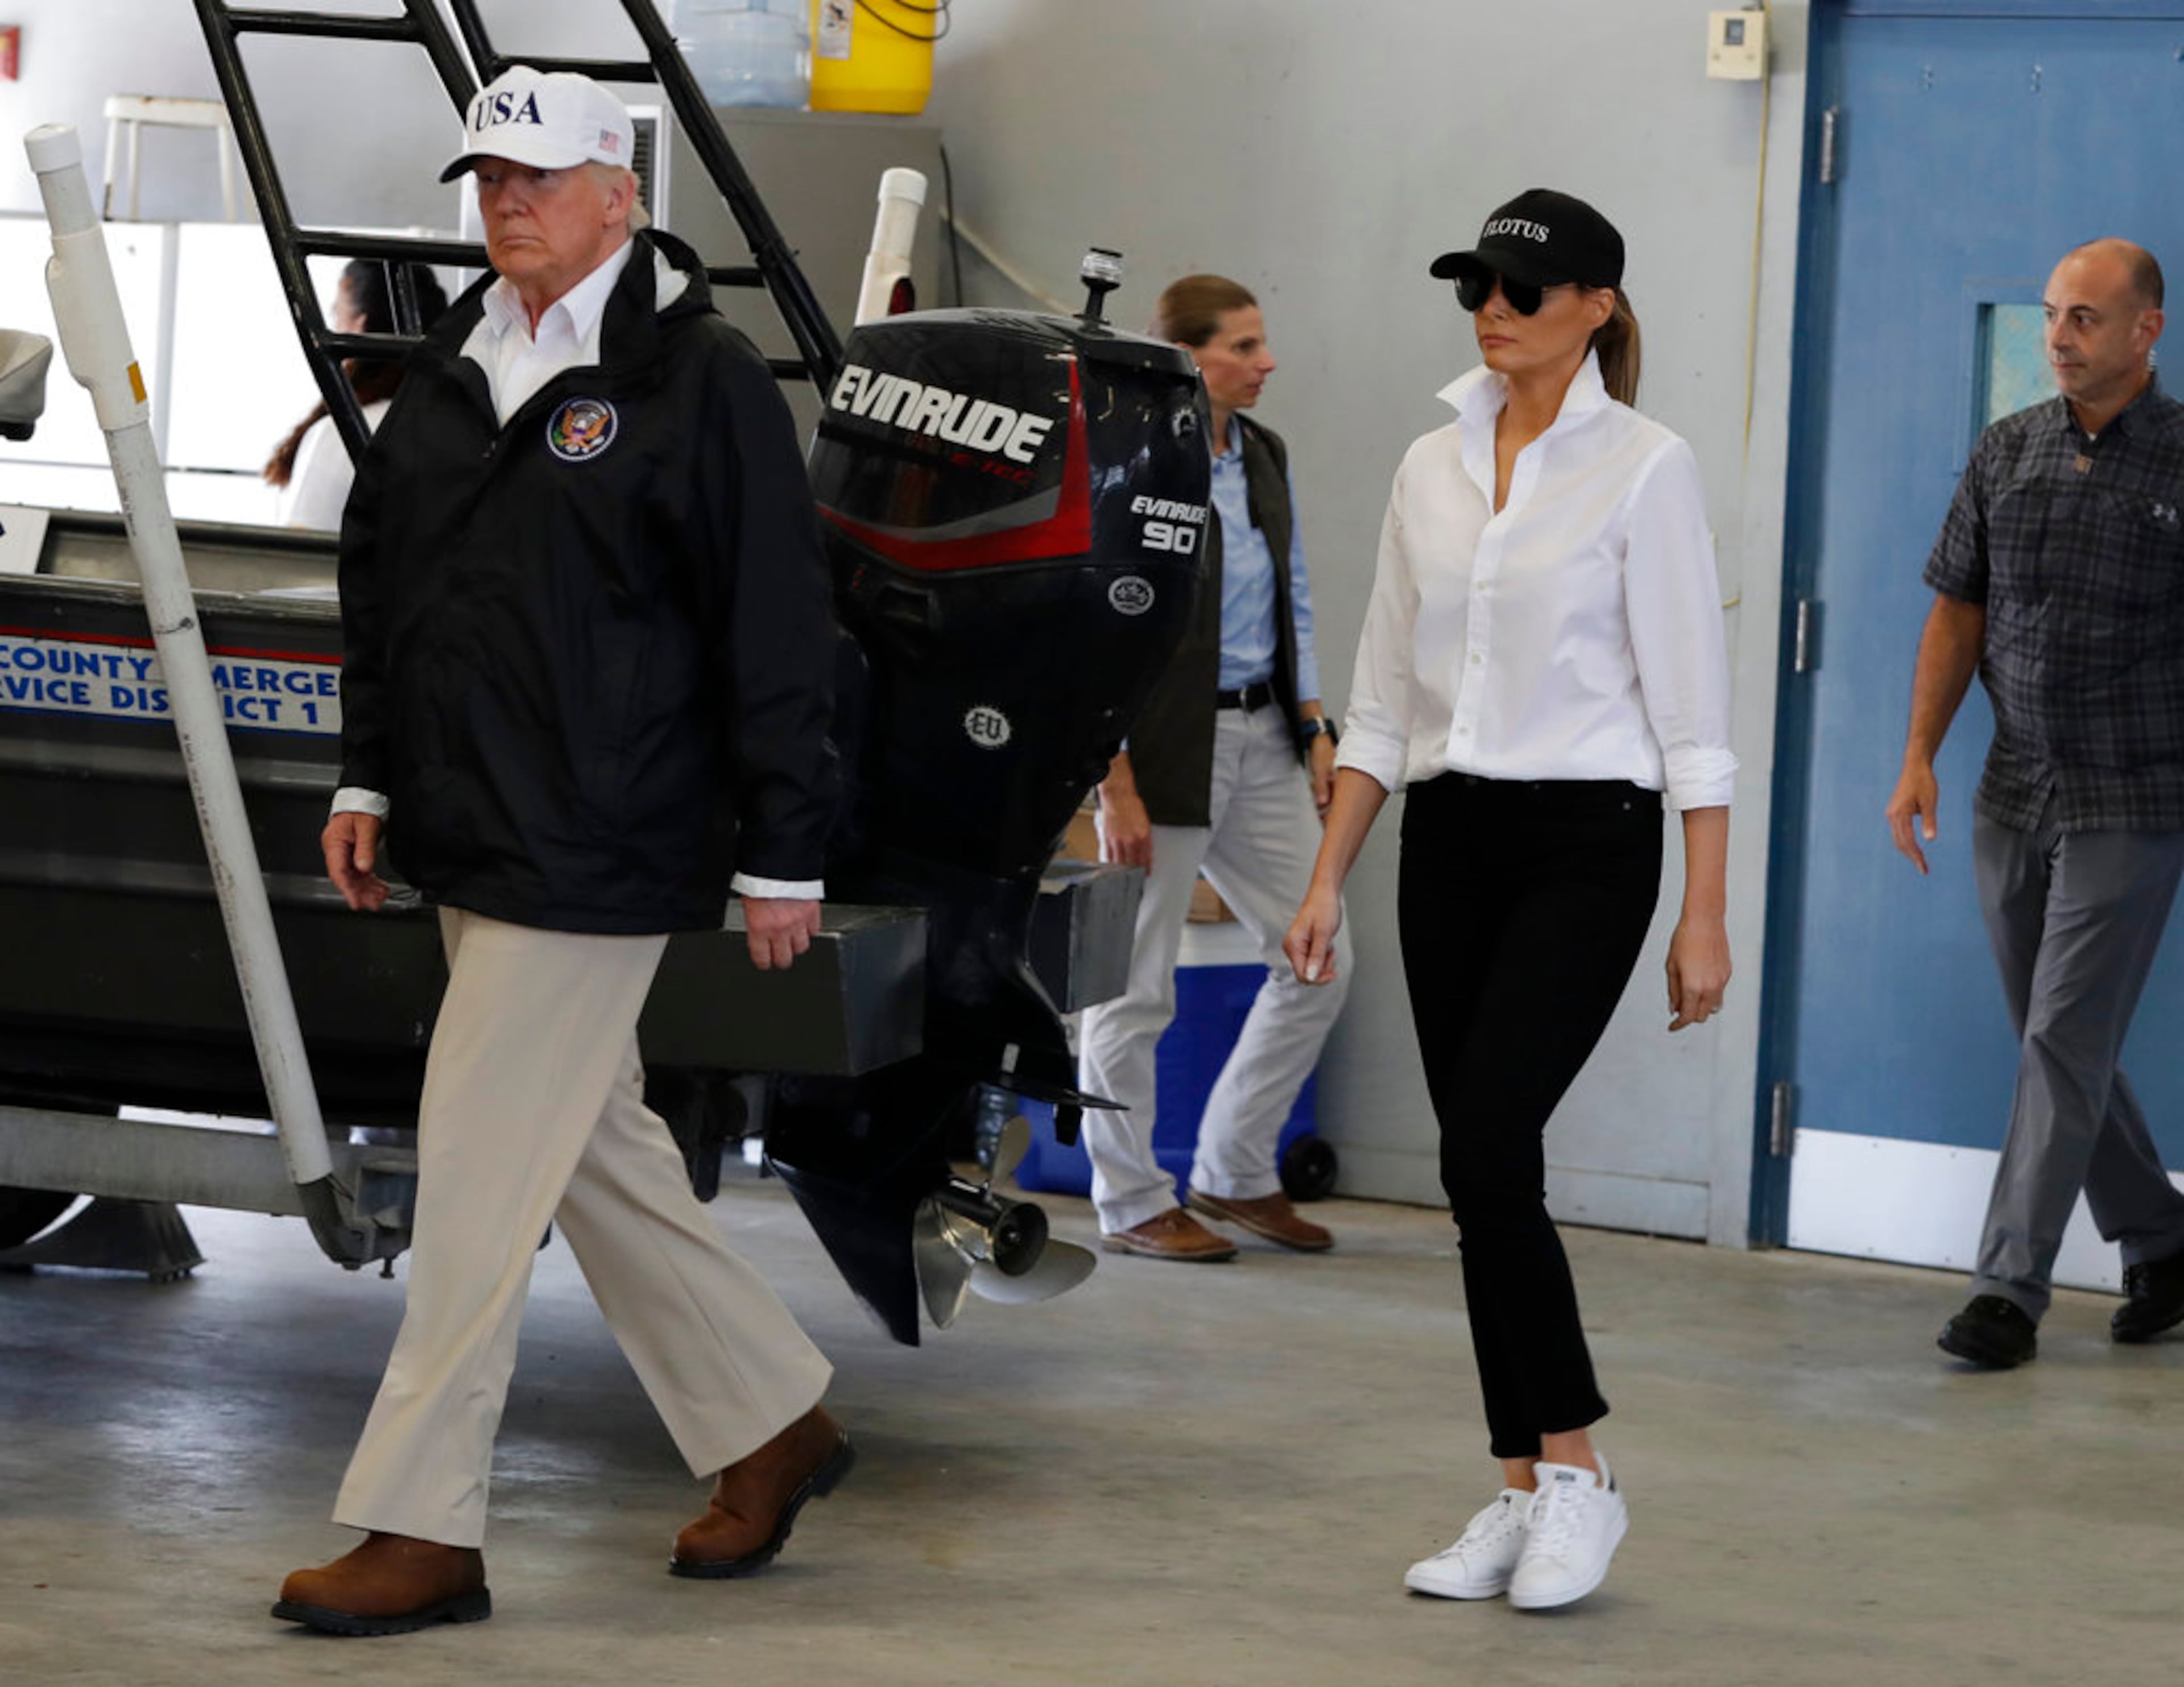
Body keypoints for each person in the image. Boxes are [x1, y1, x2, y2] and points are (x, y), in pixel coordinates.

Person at [274, 66, 851, 1636]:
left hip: (608, 840)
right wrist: (369, 776)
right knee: (596, 1154)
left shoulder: (701, 380)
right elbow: (387, 588)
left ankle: (421, 1521)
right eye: (488, 177)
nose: (505, 201)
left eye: (537, 176)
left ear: (621, 192)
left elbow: (781, 624)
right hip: (471, 826)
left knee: (471, 1177)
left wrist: (786, 849)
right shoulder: (458, 360)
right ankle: (771, 1416)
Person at [1284, 190, 1734, 1611]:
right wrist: (1321, 881)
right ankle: (1522, 1482)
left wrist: (1702, 907)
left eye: (1524, 287)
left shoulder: (1646, 469)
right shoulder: (1428, 463)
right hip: (1448, 836)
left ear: (1596, 305)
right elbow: (1373, 700)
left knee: (1486, 1146)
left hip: (1587, 844)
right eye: (1476, 281)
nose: (1493, 303)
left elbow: (1693, 716)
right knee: (1487, 1179)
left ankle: (1581, 1473)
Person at [1887, 237, 2184, 1371]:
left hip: (2136, 796)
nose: (2060, 337)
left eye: (2086, 320)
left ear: (2146, 330)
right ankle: (2164, 1237)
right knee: (2054, 1036)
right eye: (2055, 316)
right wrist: (1920, 754)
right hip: (2013, 790)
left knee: (2062, 1035)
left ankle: (2008, 1288)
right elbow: (1958, 610)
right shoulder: (2006, 451)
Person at [1077, 274, 1349, 1262]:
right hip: (1163, 748)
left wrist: (1315, 723)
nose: (1265, 362)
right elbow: (1096, 624)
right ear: (1188, 356)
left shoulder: (1262, 454)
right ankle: (1132, 1199)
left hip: (1265, 736)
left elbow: (1298, 594)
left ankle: (1235, 1170)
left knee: (1319, 959)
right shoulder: (1139, 457)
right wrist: (1115, 783)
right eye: (1243, 346)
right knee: (1135, 991)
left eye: (1263, 343)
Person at [263, 259, 448, 531]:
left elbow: (298, 557)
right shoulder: (461, 426)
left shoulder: (342, 435)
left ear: (360, 328)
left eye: (337, 314)